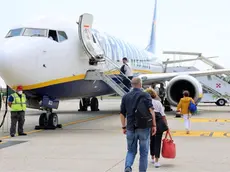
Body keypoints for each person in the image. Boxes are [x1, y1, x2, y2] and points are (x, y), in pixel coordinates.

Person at [120, 77, 157, 172]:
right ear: (140, 84)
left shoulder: (126, 96)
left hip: (130, 127)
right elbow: (151, 111)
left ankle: (128, 167)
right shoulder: (146, 95)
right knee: (144, 153)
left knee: (131, 151)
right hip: (144, 127)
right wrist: (154, 125)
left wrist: (124, 126)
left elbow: (122, 113)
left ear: (132, 85)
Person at [145, 88, 168, 168]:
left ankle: (152, 156)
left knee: (151, 141)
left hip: (149, 124)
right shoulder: (158, 103)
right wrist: (166, 125)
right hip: (158, 123)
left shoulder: (144, 102)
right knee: (158, 142)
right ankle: (157, 161)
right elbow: (163, 115)